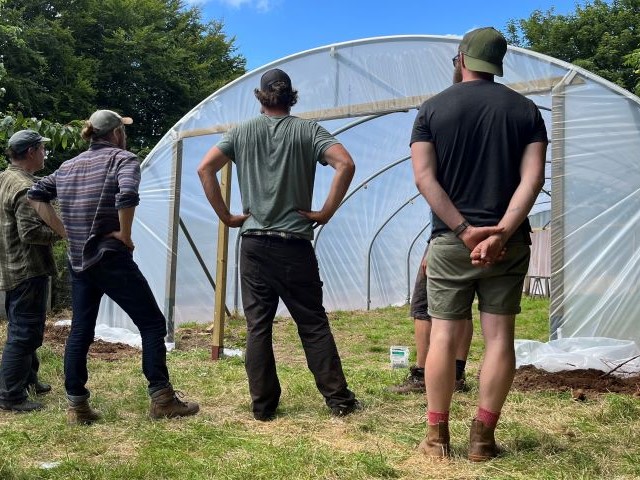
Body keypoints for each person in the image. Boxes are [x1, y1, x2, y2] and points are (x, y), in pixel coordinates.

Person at [410, 27, 547, 461]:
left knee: (444, 336)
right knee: (499, 337)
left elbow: (424, 178)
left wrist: (463, 230)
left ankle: (436, 438)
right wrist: (502, 231)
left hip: (451, 243)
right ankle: (483, 438)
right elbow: (533, 179)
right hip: (509, 244)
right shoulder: (526, 111)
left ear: (461, 59)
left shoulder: (432, 110)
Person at [197, 68, 360, 421]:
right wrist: (325, 212)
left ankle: (263, 407)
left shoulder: (241, 132)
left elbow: (205, 169)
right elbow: (345, 164)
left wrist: (226, 217)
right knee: (313, 323)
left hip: (253, 243)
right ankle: (339, 401)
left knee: (259, 326)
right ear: (291, 97)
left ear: (261, 96)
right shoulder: (308, 130)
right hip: (294, 244)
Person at [28, 110, 199, 424]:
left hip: (79, 262)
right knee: (151, 325)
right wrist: (125, 234)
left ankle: (77, 407)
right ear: (117, 133)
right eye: (124, 128)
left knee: (81, 331)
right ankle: (162, 399)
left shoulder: (67, 167)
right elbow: (128, 194)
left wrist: (65, 232)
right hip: (110, 257)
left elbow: (36, 195)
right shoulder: (123, 159)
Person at [0, 130, 63, 412]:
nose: (45, 154)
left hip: (10, 265)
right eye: (42, 149)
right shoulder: (25, 187)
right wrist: (62, 232)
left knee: (24, 326)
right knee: (25, 332)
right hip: (28, 268)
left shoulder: (4, 178)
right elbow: (30, 233)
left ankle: (29, 378)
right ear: (30, 152)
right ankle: (10, 395)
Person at [390, 246, 472, 394]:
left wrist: (431, 249)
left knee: (423, 305)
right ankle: (455, 376)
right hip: (489, 242)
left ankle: (422, 376)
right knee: (462, 306)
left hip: (449, 240)